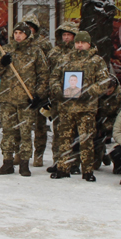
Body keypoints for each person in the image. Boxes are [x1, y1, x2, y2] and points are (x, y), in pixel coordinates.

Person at [48, 30, 111, 181]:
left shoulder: (96, 61)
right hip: (66, 107)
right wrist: (58, 90)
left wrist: (88, 92)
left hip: (86, 108)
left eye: (82, 42)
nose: (79, 45)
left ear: (89, 44)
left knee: (86, 140)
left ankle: (87, 170)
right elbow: (54, 77)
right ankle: (63, 168)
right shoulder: (65, 59)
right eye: (77, 42)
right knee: (64, 139)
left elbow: (104, 82)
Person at [0, 23, 48, 177]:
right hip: (7, 98)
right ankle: (7, 162)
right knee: (8, 133)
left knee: (25, 133)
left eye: (21, 33)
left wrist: (38, 95)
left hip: (26, 100)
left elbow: (43, 75)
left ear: (27, 35)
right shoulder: (5, 50)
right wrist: (2, 64)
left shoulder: (35, 51)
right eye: (15, 32)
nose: (18, 35)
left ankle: (24, 163)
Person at [44, 21, 79, 172]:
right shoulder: (53, 53)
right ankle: (58, 161)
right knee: (58, 130)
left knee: (74, 131)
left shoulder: (79, 53)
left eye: (69, 35)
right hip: (57, 98)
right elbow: (47, 74)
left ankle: (74, 162)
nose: (66, 38)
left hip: (75, 97)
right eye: (64, 35)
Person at [19, 13, 53, 169]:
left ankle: (38, 154)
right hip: (22, 90)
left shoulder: (44, 44)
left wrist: (43, 91)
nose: (29, 30)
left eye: (32, 27)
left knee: (40, 125)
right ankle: (20, 153)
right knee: (21, 125)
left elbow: (48, 67)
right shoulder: (18, 43)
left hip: (39, 91)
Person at [95, 75, 121, 171]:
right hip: (100, 121)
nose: (107, 93)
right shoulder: (98, 94)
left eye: (110, 91)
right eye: (105, 91)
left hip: (114, 122)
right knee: (94, 165)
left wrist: (107, 126)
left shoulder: (120, 96)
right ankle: (100, 154)